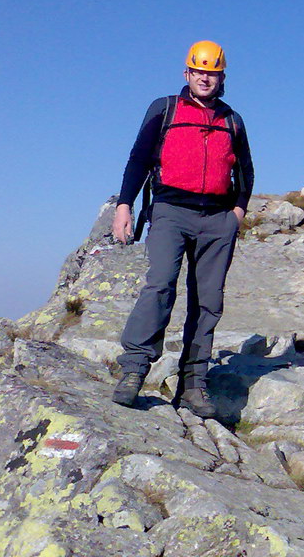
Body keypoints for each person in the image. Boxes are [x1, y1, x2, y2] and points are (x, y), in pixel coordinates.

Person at [110, 41, 254, 418]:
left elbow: (247, 171)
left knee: (208, 301)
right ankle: (135, 370)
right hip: (171, 211)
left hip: (218, 219)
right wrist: (124, 205)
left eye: (212, 72)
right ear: (187, 73)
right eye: (199, 71)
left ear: (221, 77)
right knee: (160, 285)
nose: (205, 78)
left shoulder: (233, 120)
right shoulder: (166, 108)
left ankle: (193, 384)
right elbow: (139, 158)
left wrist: (236, 213)